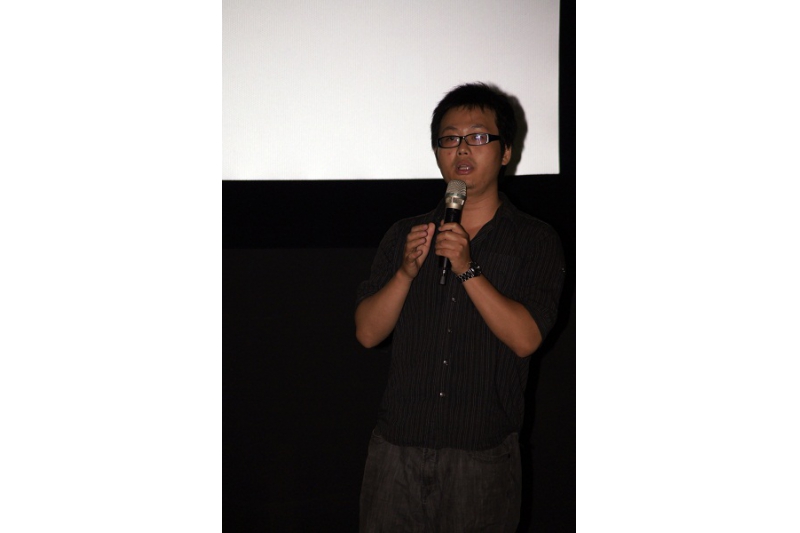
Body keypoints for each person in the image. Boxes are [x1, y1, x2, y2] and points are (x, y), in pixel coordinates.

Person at [355, 82, 565, 532]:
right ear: (437, 152)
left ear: (505, 152)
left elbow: (526, 339)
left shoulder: (534, 239)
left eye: (478, 136)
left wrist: (468, 269)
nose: (462, 148)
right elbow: (368, 333)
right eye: (449, 138)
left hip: (482, 458)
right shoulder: (406, 234)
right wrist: (405, 273)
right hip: (395, 452)